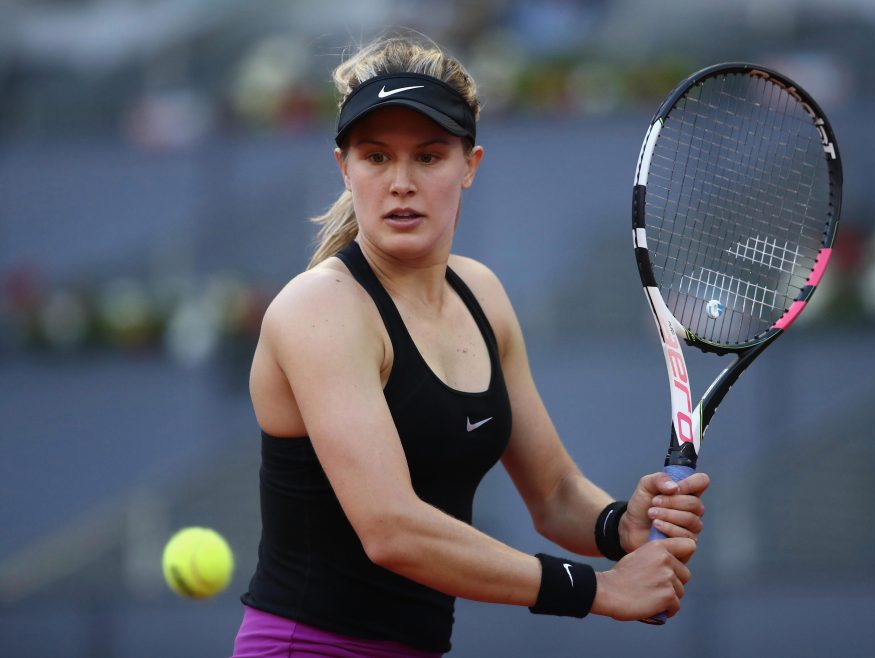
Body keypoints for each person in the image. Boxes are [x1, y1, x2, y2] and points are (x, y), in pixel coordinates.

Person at [231, 32, 710, 658]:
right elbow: (392, 531)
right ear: (344, 168)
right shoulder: (319, 309)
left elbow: (555, 492)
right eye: (376, 157)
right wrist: (595, 588)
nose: (401, 182)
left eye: (428, 157)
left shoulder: (481, 293)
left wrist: (618, 525)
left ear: (470, 166)